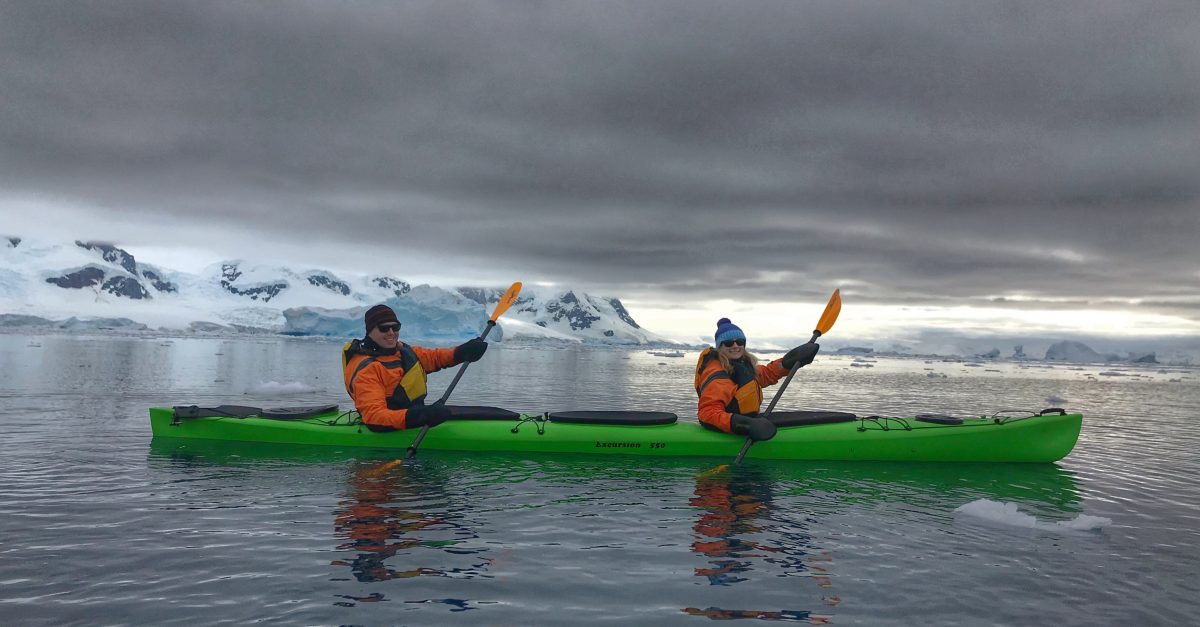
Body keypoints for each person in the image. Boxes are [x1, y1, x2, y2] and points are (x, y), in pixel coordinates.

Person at [342, 304, 488, 431]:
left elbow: (435, 357)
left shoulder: (403, 352)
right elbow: (375, 417)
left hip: (411, 418)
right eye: (384, 328)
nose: (391, 333)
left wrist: (462, 352)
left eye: (395, 327)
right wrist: (421, 416)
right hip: (388, 426)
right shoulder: (366, 369)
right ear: (370, 331)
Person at [693, 318, 819, 442]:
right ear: (719, 346)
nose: (735, 346)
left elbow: (765, 374)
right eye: (729, 343)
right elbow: (708, 413)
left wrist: (787, 363)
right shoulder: (719, 376)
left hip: (748, 420)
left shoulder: (740, 364)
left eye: (740, 342)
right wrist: (744, 425)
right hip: (729, 429)